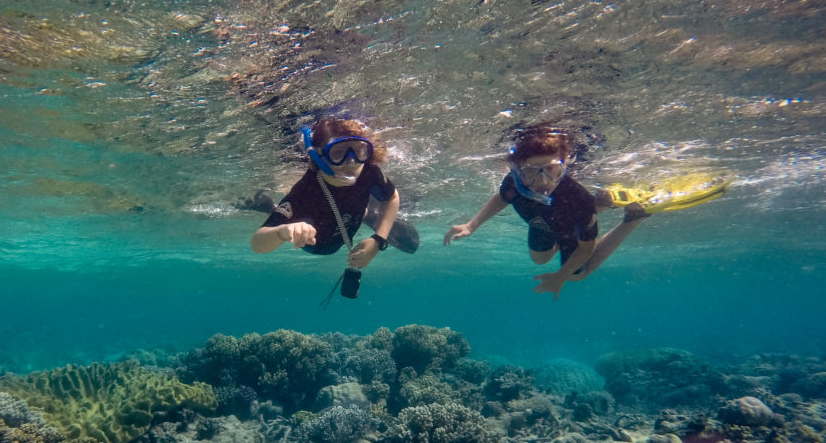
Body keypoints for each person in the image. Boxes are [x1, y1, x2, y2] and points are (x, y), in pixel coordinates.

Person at [443, 124, 649, 299]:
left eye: (551, 169)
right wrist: (471, 225)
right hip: (544, 223)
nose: (542, 181)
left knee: (576, 275)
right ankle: (601, 205)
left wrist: (561, 275)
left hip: (569, 228)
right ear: (517, 170)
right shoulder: (514, 182)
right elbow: (502, 197)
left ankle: (632, 218)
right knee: (539, 259)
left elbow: (586, 248)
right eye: (531, 171)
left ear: (563, 164)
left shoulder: (579, 199)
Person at [250, 117, 402, 270]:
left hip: (345, 225)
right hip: (315, 246)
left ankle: (364, 212)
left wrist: (378, 239)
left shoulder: (369, 171)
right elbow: (257, 244)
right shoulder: (306, 191)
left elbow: (392, 197)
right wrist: (282, 233)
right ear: (318, 157)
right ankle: (274, 209)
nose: (351, 161)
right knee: (289, 218)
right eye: (338, 153)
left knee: (359, 208)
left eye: (358, 151)